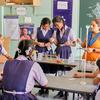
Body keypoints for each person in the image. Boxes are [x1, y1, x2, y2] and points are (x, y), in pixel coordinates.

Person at [50, 16, 76, 98]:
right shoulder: (56, 31)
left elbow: (74, 43)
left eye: (57, 25)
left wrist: (70, 43)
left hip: (67, 52)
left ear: (61, 22)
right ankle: (60, 92)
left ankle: (66, 92)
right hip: (58, 52)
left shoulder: (70, 30)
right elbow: (57, 44)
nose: (56, 27)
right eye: (55, 25)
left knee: (66, 73)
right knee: (59, 73)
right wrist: (53, 41)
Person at [32, 17, 54, 96]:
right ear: (42, 24)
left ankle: (46, 90)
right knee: (40, 70)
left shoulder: (51, 30)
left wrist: (50, 43)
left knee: (47, 70)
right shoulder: (37, 29)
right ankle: (41, 89)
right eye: (45, 26)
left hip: (48, 51)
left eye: (48, 26)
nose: (46, 27)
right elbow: (32, 40)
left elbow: (53, 40)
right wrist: (38, 43)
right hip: (39, 51)